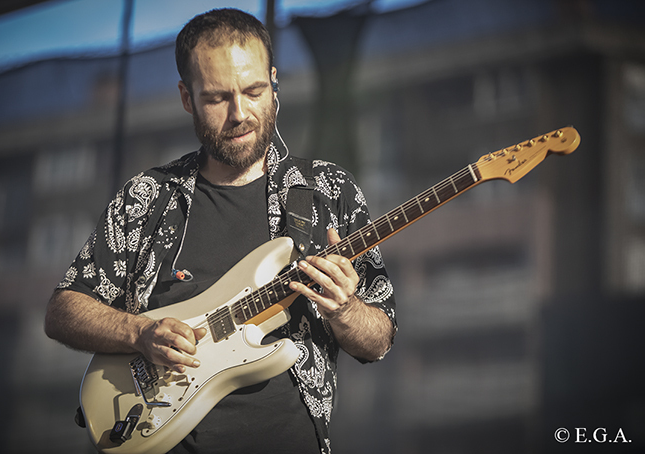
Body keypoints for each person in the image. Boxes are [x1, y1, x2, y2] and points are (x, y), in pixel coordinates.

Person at [45, 8, 396, 454]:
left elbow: (378, 339)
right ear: (187, 97)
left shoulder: (329, 190)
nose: (239, 114)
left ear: (274, 83)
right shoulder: (148, 198)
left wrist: (345, 308)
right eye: (216, 98)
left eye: (254, 91)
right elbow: (63, 310)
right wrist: (138, 333)